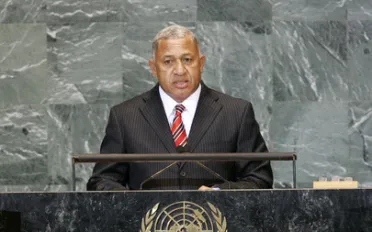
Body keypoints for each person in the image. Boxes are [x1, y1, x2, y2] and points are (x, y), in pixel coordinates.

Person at [86, 24, 273, 191]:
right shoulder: (125, 117)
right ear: (153, 68)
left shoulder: (236, 113)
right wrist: (132, 204)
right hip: (147, 227)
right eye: (168, 62)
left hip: (218, 226)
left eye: (187, 60)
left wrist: (219, 194)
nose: (180, 70)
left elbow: (260, 179)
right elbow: (102, 180)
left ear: (201, 63)